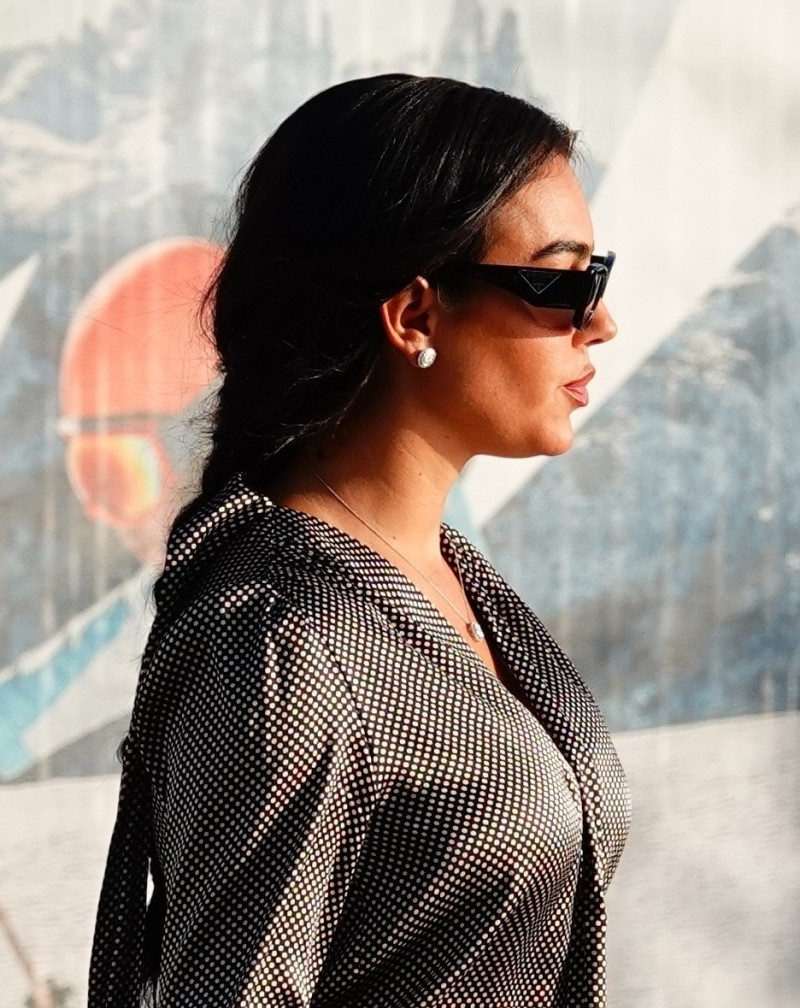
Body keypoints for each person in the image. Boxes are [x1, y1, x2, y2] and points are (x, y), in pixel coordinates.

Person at [88, 73, 631, 1008]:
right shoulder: (281, 641)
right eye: (562, 279)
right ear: (414, 315)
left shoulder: (445, 578)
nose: (602, 321)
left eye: (599, 275)